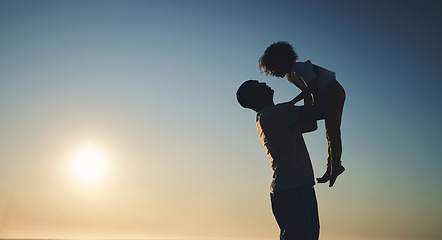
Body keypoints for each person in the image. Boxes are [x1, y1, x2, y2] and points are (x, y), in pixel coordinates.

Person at [236, 80, 320, 240]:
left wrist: (308, 92)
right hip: (295, 187)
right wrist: (312, 90)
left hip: (288, 188)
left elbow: (310, 124)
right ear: (255, 96)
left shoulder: (267, 116)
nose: (264, 83)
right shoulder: (273, 114)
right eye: (258, 85)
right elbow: (320, 112)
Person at [259, 41, 346, 187]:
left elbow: (312, 89)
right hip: (323, 94)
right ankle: (332, 166)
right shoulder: (291, 77)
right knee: (330, 131)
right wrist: (306, 110)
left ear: (282, 61)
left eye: (274, 68)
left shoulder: (300, 68)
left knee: (332, 130)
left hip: (332, 91)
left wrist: (300, 105)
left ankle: (335, 165)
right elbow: (307, 93)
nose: (273, 73)